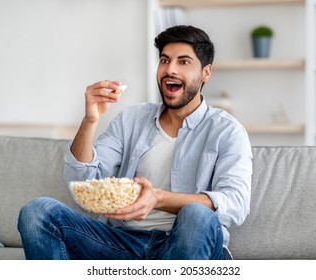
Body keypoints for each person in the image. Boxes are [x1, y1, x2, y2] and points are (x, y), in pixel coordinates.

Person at [17, 25, 252, 260]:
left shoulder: (227, 131)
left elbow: (236, 204)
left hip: (187, 242)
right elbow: (83, 184)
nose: (170, 69)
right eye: (164, 60)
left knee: (196, 215)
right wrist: (90, 121)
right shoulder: (131, 118)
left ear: (206, 73)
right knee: (37, 212)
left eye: (183, 62)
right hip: (123, 241)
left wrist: (158, 198)